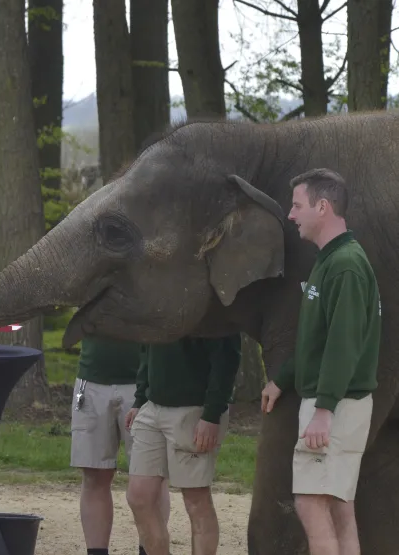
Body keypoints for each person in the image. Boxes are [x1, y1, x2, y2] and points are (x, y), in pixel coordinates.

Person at [261, 168, 381, 555]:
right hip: (340, 403)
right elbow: (318, 338)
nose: (291, 214)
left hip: (336, 405)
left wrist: (325, 409)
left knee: (311, 505)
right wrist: (282, 379)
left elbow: (344, 344)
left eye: (297, 205)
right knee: (339, 508)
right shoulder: (331, 261)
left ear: (323, 206)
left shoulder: (344, 265)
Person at [125, 335, 241, 555]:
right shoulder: (155, 303)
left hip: (194, 409)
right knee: (138, 496)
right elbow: (147, 348)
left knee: (195, 500)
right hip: (153, 407)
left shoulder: (210, 305)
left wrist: (212, 413)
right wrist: (140, 399)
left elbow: (226, 357)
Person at [70, 337, 170, 555]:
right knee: (94, 474)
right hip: (92, 378)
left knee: (151, 478)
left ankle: (150, 551)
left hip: (146, 381)